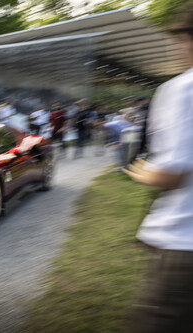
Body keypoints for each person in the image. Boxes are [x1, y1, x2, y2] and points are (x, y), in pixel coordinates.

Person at [124, 4, 193, 331]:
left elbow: (172, 173)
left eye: (178, 38)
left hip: (183, 244)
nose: (175, 47)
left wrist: (142, 170)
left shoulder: (183, 88)